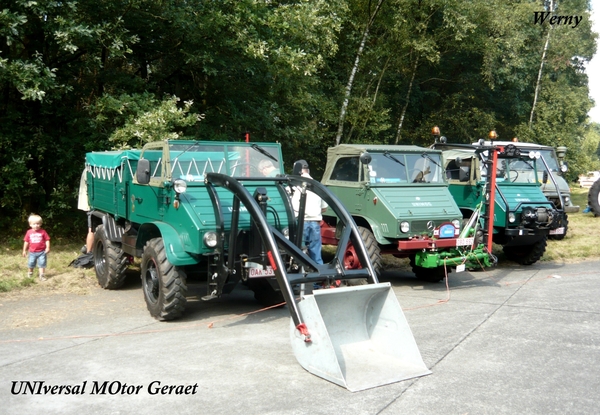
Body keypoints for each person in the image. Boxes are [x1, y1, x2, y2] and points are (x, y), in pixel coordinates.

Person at [291, 160, 328, 264]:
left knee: (300, 254)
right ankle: (318, 277)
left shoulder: (296, 187)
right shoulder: (318, 186)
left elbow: (292, 207)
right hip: (315, 224)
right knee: (316, 254)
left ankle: (301, 276)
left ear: (298, 171)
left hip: (302, 224)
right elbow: (324, 208)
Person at [22, 214, 51, 281]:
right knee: (31, 263)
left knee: (42, 264)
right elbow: (26, 241)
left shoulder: (43, 232)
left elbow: (47, 240)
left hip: (42, 252)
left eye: (38, 224)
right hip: (32, 252)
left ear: (40, 224)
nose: (36, 225)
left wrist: (48, 247)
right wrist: (24, 250)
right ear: (30, 224)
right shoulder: (29, 232)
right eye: (34, 224)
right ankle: (30, 273)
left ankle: (42, 275)